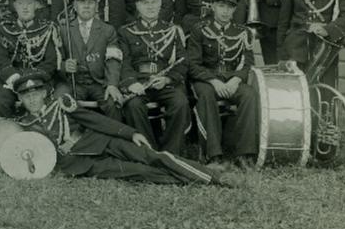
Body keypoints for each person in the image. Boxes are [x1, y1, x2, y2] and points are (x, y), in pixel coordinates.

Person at [12, 70, 228, 186]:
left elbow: (95, 120)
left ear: (43, 93)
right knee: (141, 172)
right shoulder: (22, 127)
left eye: (35, 94)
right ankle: (195, 179)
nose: (31, 100)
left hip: (100, 140)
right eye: (26, 96)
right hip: (80, 163)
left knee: (151, 156)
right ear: (20, 100)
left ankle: (214, 177)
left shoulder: (61, 104)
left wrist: (130, 133)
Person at [187, 0, 259, 168]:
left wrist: (236, 79)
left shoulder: (243, 32)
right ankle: (213, 155)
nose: (225, 11)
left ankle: (244, 154)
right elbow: (193, 65)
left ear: (235, 9)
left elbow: (249, 63)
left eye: (230, 7)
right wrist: (214, 81)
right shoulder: (199, 30)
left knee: (249, 95)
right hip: (206, 80)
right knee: (205, 96)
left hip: (232, 80)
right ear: (212, 6)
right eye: (221, 6)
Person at [118, 0, 191, 156]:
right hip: (139, 84)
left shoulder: (172, 30)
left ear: (160, 3)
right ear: (137, 5)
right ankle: (149, 152)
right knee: (133, 105)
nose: (150, 6)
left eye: (154, 2)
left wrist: (168, 79)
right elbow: (124, 63)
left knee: (180, 102)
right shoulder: (126, 32)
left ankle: (171, 152)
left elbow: (183, 62)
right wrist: (131, 84)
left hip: (164, 84)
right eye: (145, 3)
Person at [0, 0, 62, 118]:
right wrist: (13, 76)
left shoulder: (47, 29)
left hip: (39, 77)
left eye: (29, 3)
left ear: (37, 5)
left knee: (48, 104)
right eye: (21, 3)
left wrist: (32, 77)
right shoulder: (4, 29)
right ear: (15, 6)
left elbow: (51, 61)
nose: (25, 7)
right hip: (10, 77)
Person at [55, 0, 124, 122]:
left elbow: (113, 60)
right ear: (74, 5)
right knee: (59, 101)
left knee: (113, 103)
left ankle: (114, 140)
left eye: (90, 2)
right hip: (73, 83)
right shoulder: (63, 29)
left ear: (96, 6)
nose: (86, 6)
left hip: (99, 83)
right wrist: (64, 66)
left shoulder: (107, 30)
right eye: (81, 1)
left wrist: (112, 84)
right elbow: (55, 59)